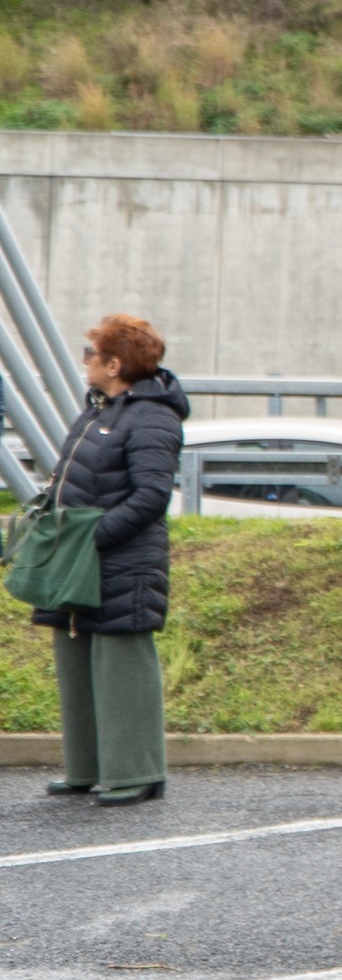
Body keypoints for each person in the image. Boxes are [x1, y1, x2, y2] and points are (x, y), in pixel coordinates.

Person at [36, 315, 186, 806]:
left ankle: (136, 773)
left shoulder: (152, 416)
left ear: (114, 363)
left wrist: (91, 538)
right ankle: (87, 769)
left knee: (120, 660)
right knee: (76, 655)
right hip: (78, 556)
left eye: (90, 353)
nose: (85, 361)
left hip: (120, 559)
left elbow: (150, 499)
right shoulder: (99, 409)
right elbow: (67, 480)